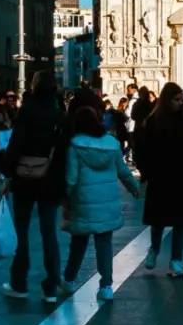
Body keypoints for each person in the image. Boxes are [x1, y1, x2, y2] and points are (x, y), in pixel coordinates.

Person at [0, 72, 68, 302]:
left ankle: (19, 283)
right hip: (50, 179)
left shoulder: (27, 111)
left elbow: (15, 144)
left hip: (25, 177)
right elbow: (63, 150)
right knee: (49, 232)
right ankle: (51, 287)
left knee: (21, 230)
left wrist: (7, 174)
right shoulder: (59, 115)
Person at [60, 106, 140, 301]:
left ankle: (69, 280)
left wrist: (64, 199)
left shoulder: (75, 146)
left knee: (78, 243)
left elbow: (71, 178)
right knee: (104, 245)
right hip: (107, 203)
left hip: (83, 202)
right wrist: (134, 187)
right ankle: (106, 286)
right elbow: (123, 171)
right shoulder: (112, 144)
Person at [138, 83, 183, 278]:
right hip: (161, 175)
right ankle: (154, 248)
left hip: (181, 176)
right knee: (158, 219)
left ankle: (176, 260)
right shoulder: (153, 122)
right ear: (167, 100)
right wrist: (146, 172)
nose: (180, 103)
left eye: (181, 99)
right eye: (176, 100)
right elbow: (144, 149)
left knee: (180, 221)